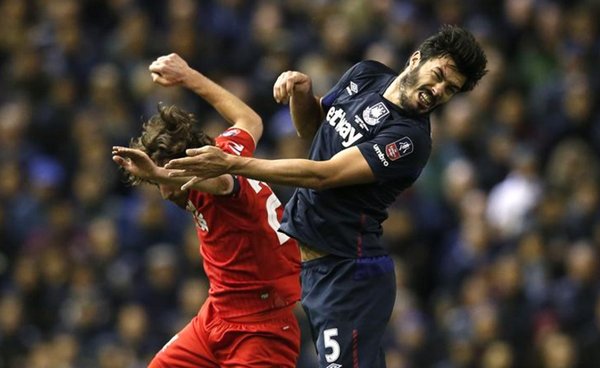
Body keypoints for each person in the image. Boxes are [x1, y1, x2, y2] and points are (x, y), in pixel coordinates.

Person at [165, 25, 488, 367]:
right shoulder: (366, 75)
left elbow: (325, 174)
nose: (438, 90)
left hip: (349, 275)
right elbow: (314, 127)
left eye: (450, 89)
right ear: (416, 58)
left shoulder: (410, 140)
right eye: (439, 75)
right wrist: (302, 95)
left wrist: (233, 163)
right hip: (317, 269)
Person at [112, 53, 301, 368]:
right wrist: (187, 75)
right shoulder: (226, 149)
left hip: (260, 330)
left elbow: (219, 181)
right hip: (216, 315)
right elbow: (250, 120)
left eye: (164, 180)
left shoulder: (218, 180)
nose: (162, 191)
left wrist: (158, 173)